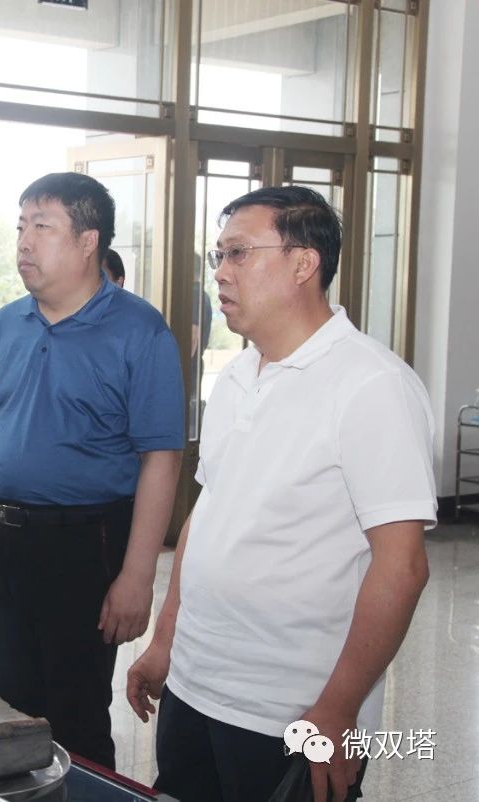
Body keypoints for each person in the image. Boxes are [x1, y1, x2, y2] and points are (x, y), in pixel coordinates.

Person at [126, 186, 434, 802]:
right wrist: (165, 641)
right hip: (195, 686)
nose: (220, 272)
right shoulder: (238, 375)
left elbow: (402, 567)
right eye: (218, 255)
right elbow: (207, 517)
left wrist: (338, 709)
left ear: (303, 264)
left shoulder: (372, 385)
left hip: (290, 710)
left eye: (239, 253)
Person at [0, 172, 184, 769]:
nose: (24, 241)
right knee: (0, 695)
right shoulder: (5, 324)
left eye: (42, 227)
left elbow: (161, 460)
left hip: (83, 544)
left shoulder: (140, 331)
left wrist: (137, 576)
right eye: (21, 226)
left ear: (88, 241)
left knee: (74, 712)